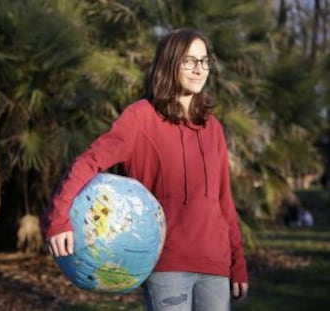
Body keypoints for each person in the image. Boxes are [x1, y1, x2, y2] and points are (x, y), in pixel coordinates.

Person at [41, 28, 249, 310]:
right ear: (169, 63)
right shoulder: (140, 117)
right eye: (189, 61)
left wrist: (237, 263)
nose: (199, 69)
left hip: (215, 265)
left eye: (204, 61)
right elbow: (89, 162)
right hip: (168, 265)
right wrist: (58, 217)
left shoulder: (213, 127)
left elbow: (223, 202)